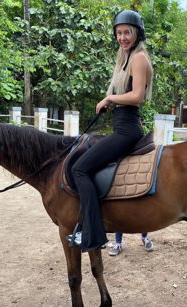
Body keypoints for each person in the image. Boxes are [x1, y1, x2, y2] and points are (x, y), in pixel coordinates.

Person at [68, 9, 154, 252]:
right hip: (122, 126)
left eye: (127, 32)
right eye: (119, 33)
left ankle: (91, 233)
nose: (123, 37)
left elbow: (136, 96)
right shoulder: (125, 57)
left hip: (127, 131)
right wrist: (112, 101)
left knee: (79, 169)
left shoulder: (138, 58)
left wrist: (110, 98)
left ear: (137, 33)